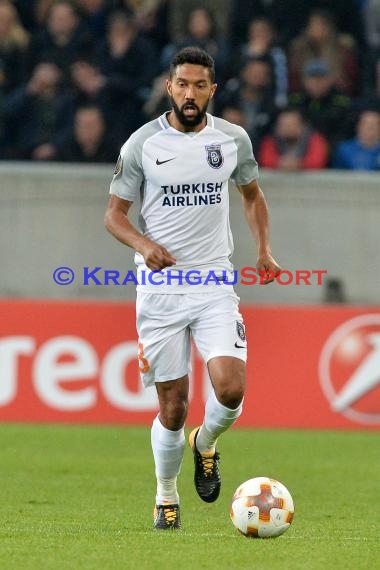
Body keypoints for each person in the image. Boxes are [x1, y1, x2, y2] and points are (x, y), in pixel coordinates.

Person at [104, 46, 281, 531]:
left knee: (230, 387)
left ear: (212, 90)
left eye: (199, 85)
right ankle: (166, 496)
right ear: (169, 86)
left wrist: (263, 249)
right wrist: (144, 243)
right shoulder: (141, 144)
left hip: (214, 282)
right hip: (160, 290)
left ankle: (206, 444)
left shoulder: (233, 140)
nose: (190, 93)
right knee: (173, 406)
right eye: (182, 84)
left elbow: (252, 195)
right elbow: (114, 216)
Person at [259, 108, 329, 170]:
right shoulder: (271, 139)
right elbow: (265, 159)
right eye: (284, 125)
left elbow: (318, 161)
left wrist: (299, 164)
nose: (289, 128)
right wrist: (280, 163)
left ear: (302, 126)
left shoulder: (315, 139)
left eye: (292, 124)